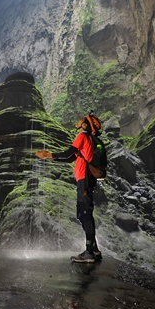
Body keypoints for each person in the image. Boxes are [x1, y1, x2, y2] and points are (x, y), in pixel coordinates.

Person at [36, 113, 103, 263]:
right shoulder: (88, 140)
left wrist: (47, 154)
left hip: (84, 179)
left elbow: (68, 152)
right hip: (86, 179)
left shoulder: (83, 136)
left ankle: (89, 253)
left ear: (85, 125)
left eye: (80, 120)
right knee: (84, 213)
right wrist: (50, 157)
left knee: (85, 213)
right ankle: (95, 251)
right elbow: (69, 158)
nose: (77, 122)